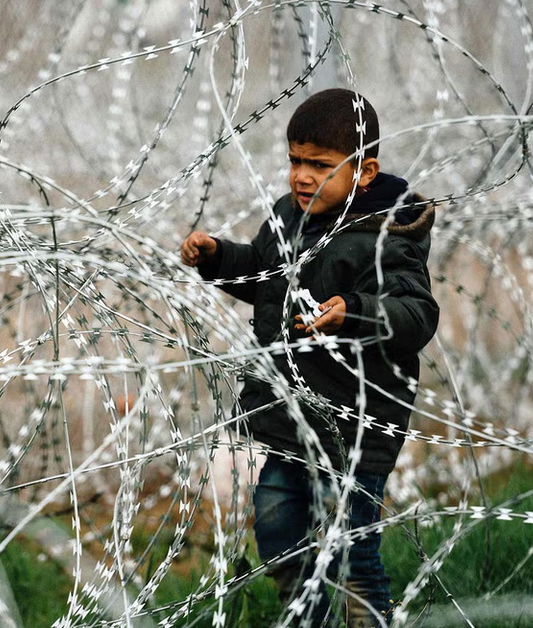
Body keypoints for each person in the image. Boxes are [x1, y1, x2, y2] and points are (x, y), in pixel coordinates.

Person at [180, 88, 439, 627]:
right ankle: (306, 617)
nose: (301, 176)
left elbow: (417, 314)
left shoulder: (385, 238)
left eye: (319, 165)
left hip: (354, 430)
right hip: (291, 419)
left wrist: (355, 311)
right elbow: (264, 275)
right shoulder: (288, 217)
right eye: (295, 161)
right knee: (276, 527)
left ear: (364, 173)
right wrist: (219, 258)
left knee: (353, 553)